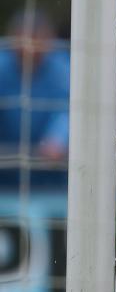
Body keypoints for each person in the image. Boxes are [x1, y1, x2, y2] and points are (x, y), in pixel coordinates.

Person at [0, 10, 69, 187]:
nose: (28, 48)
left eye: (35, 38)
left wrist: (58, 137)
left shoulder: (61, 67)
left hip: (51, 176)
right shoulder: (2, 64)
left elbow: (69, 108)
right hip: (6, 176)